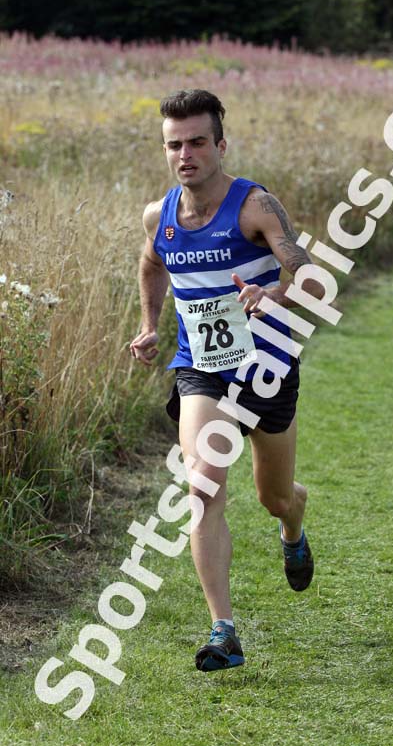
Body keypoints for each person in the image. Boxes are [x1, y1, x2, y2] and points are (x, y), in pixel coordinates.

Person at [130, 89, 319, 673]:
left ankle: (293, 525)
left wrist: (275, 294)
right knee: (203, 486)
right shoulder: (157, 215)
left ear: (219, 145)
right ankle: (224, 630)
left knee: (273, 495)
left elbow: (309, 276)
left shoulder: (255, 206)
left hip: (266, 369)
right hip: (200, 370)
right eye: (174, 144)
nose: (184, 154)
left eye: (196, 142)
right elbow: (151, 262)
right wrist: (149, 324)